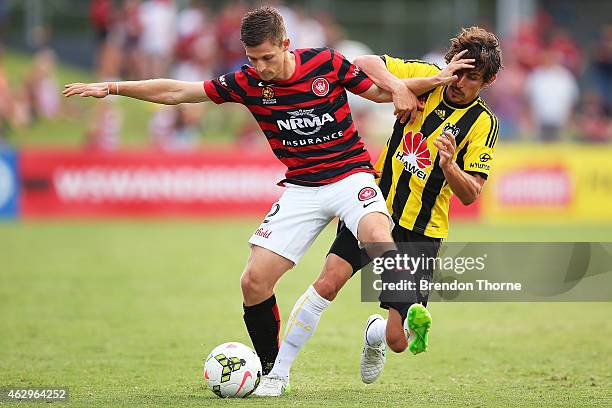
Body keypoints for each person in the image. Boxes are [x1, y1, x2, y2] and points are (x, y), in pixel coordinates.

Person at [63, 6, 445, 384]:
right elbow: (178, 91)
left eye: (267, 57)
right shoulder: (246, 82)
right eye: (252, 59)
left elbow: (379, 93)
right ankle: (271, 371)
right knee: (253, 282)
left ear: (286, 44)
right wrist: (113, 87)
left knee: (378, 234)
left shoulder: (326, 63)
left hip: (351, 176)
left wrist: (432, 82)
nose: (261, 67)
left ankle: (407, 307)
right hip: (301, 188)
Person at [256, 26, 502, 396]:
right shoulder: (427, 78)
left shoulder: (484, 124)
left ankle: (374, 333)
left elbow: (472, 194)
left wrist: (450, 166)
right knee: (328, 282)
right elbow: (363, 63)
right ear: (448, 62)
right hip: (372, 208)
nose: (459, 81)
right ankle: (279, 374)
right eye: (457, 69)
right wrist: (401, 85)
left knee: (397, 340)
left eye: (472, 77)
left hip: (422, 231)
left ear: (489, 81)